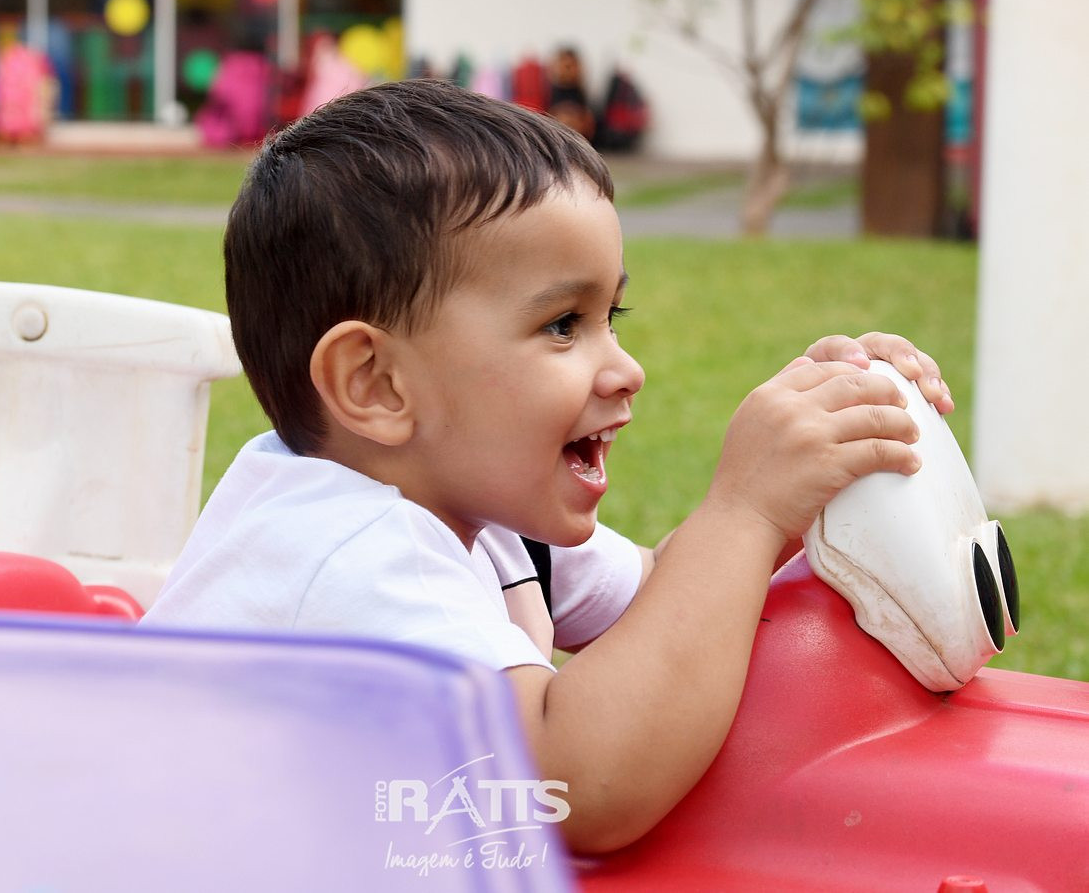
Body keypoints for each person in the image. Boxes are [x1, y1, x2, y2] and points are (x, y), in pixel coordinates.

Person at [141, 78, 954, 852]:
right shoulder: (352, 553)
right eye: (563, 324)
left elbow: (665, 599)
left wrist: (809, 461)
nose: (625, 368)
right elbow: (573, 786)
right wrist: (742, 511)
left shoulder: (469, 501)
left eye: (610, 315)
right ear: (377, 384)